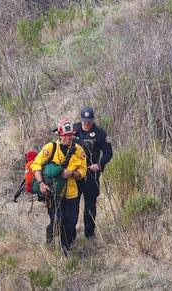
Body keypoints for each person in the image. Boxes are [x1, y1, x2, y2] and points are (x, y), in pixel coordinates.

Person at [31, 120, 88, 252]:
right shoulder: (51, 148)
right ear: (59, 135)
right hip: (54, 193)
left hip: (72, 193)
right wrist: (41, 184)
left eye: (70, 135)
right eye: (65, 135)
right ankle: (50, 240)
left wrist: (72, 173)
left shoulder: (79, 150)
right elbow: (36, 165)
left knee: (71, 222)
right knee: (57, 221)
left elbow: (83, 171)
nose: (68, 138)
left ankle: (65, 250)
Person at [76, 106, 113, 240]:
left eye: (89, 121)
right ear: (81, 120)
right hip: (75, 175)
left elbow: (109, 152)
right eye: (84, 121)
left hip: (92, 175)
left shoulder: (100, 133)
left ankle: (89, 234)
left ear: (93, 120)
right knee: (73, 205)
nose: (86, 124)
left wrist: (99, 164)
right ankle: (70, 234)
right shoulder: (74, 130)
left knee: (90, 205)